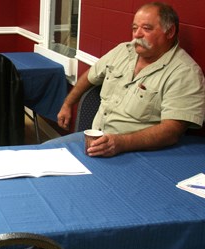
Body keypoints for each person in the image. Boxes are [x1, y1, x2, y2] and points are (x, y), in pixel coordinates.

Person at [53, 2, 205, 157]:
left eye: (146, 28)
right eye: (134, 28)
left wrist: (121, 143)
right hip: (95, 140)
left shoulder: (184, 73)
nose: (137, 34)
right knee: (42, 154)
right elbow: (90, 76)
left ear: (170, 31)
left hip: (137, 152)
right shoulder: (123, 51)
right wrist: (67, 104)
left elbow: (172, 131)